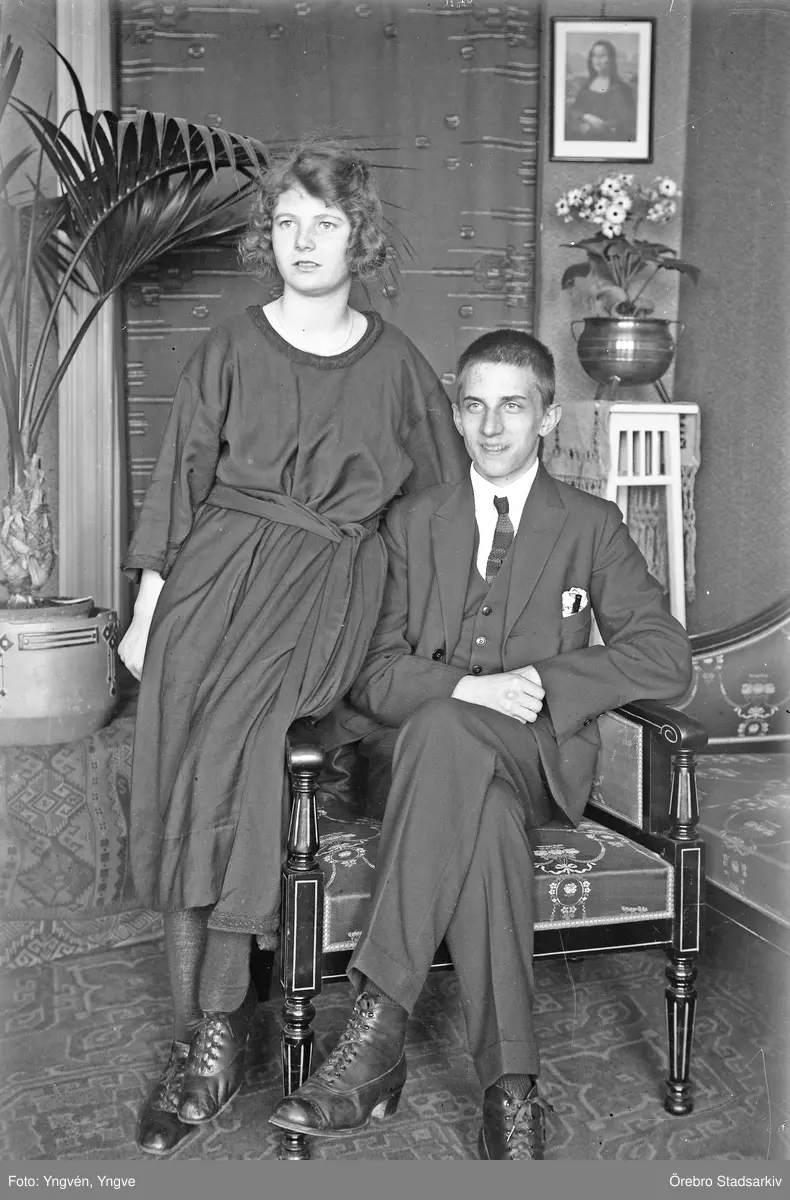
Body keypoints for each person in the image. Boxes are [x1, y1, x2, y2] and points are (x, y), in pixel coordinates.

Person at [118, 139, 467, 1156]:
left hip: (330, 587)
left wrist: (441, 632)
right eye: (285, 223)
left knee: (244, 740)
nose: (304, 242)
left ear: (362, 238)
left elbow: (441, 510)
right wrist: (146, 612)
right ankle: (210, 1032)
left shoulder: (398, 367)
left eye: (326, 223)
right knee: (193, 767)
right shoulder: (228, 348)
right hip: (211, 585)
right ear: (265, 239)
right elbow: (180, 481)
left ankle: (218, 1027)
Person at [268, 329, 692, 1159]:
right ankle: (512, 1089)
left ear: (548, 418)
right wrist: (467, 689)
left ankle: (376, 1031)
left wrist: (541, 680)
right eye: (474, 406)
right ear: (456, 416)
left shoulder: (591, 524)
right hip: (420, 770)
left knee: (456, 740)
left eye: (513, 407)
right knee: (479, 803)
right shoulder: (410, 523)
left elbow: (664, 657)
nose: (492, 427)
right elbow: (372, 672)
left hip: (537, 760)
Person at [566, 40, 636, 142]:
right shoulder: (586, 87)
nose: (597, 60)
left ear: (611, 59)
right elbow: (574, 110)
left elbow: (626, 122)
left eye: (602, 56)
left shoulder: (622, 89)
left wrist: (602, 126)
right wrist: (586, 117)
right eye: (594, 56)